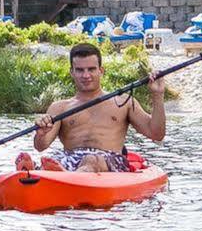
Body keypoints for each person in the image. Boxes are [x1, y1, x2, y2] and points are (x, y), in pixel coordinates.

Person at [15, 41, 165, 173]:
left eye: (91, 69)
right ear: (72, 72)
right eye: (80, 70)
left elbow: (156, 134)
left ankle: (63, 176)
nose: (86, 75)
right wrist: (40, 134)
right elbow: (41, 146)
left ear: (101, 71)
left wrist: (158, 95)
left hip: (108, 160)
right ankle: (37, 171)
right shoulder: (59, 108)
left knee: (91, 159)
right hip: (70, 158)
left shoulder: (123, 102)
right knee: (53, 158)